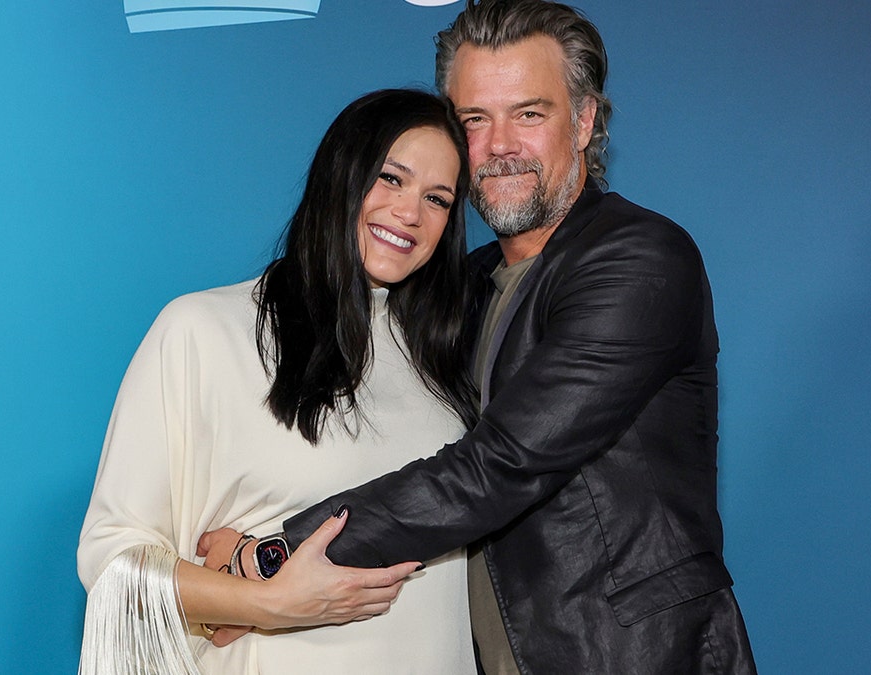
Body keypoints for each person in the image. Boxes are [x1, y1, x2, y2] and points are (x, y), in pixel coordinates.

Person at [210, 1, 758, 672]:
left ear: (584, 121)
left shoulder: (640, 260)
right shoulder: (461, 287)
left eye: (530, 113)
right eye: (474, 119)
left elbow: (502, 464)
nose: (498, 145)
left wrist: (270, 558)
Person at [76, 89, 480, 674]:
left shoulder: (443, 362)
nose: (410, 213)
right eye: (391, 178)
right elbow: (113, 561)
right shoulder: (203, 330)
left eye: (437, 199)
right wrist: (270, 602)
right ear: (341, 174)